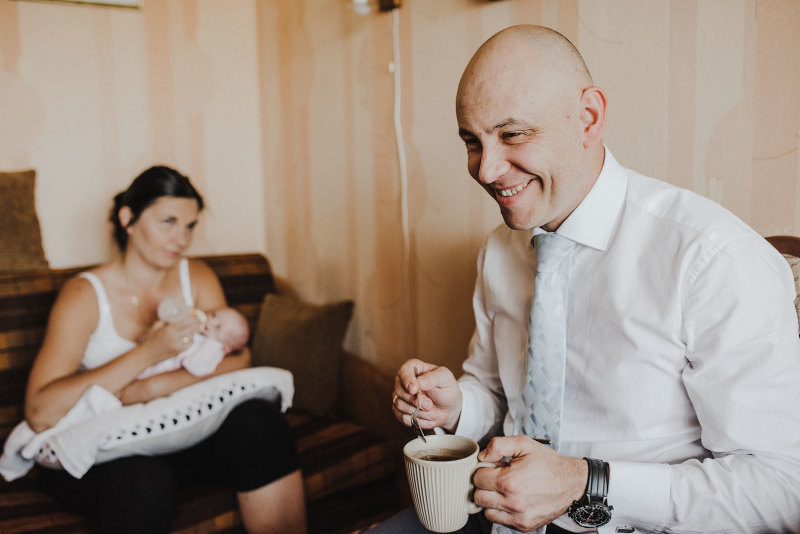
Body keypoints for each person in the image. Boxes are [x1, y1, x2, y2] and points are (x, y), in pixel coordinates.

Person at [377, 25, 800, 534]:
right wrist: (455, 405)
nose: (486, 171)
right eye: (472, 141)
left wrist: (583, 483)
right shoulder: (501, 250)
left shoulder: (712, 259)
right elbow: (497, 391)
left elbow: (782, 488)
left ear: (589, 118)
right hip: (497, 517)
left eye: (512, 135)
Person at [24, 166, 308, 534]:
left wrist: (151, 387)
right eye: (168, 222)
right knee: (145, 483)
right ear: (128, 218)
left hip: (177, 433)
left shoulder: (197, 277)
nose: (182, 239)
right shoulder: (84, 296)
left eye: (190, 226)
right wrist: (148, 353)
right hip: (101, 452)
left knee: (260, 423)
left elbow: (238, 360)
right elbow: (40, 411)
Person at [137, 305, 250, 379]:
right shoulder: (199, 330)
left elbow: (196, 367)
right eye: (214, 315)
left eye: (218, 327)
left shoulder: (214, 351)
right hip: (153, 357)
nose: (211, 321)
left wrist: (212, 342)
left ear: (226, 348)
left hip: (164, 371)